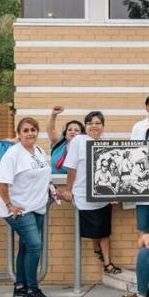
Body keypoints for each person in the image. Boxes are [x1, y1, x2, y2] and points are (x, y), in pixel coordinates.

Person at [0, 117, 53, 297]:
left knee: (27, 247)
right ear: (19, 134)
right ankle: (32, 290)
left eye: (33, 130)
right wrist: (10, 205)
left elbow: (45, 175)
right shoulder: (13, 154)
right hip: (19, 209)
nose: (30, 133)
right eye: (26, 130)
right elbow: (1, 182)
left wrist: (53, 190)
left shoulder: (39, 151)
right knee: (35, 246)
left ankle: (20, 286)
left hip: (37, 207)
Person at [59, 111, 121, 275]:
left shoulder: (105, 144)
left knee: (105, 232)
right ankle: (97, 250)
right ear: (86, 126)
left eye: (98, 123)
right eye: (90, 123)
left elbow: (114, 172)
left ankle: (107, 264)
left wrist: (114, 193)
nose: (94, 126)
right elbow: (71, 167)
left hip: (103, 197)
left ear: (103, 126)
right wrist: (69, 189)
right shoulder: (78, 140)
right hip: (83, 196)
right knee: (95, 232)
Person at [47, 106, 85, 175]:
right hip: (55, 184)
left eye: (76, 130)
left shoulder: (84, 148)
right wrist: (53, 114)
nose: (72, 132)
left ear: (81, 134)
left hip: (75, 184)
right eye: (69, 130)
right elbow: (51, 130)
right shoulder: (59, 143)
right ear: (65, 133)